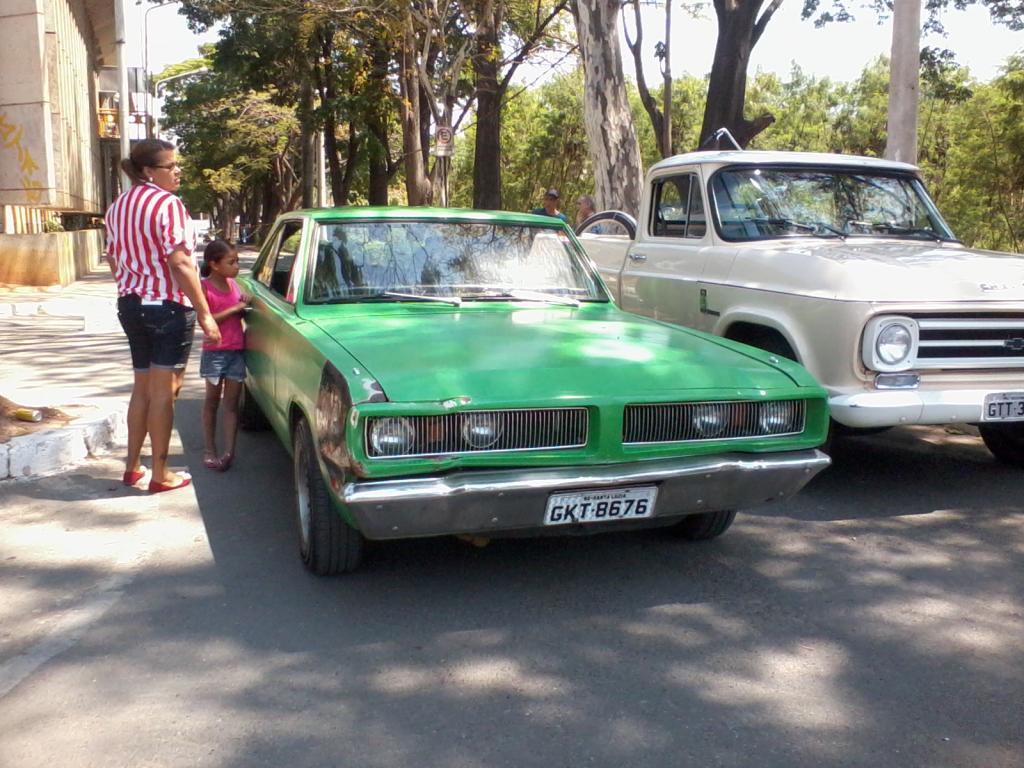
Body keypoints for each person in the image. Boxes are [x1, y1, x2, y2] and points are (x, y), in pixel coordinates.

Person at [105, 139, 220, 494]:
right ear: (148, 172)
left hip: (131, 304)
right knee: (163, 393)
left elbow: (112, 258)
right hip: (167, 307)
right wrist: (205, 313)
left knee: (141, 389)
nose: (177, 171)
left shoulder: (118, 207)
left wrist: (132, 284)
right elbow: (181, 261)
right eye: (170, 166)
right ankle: (160, 474)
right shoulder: (167, 205)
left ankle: (132, 467)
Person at [198, 239, 250, 472]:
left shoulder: (234, 285)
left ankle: (229, 451)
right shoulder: (204, 287)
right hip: (215, 354)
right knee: (211, 403)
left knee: (231, 405)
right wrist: (234, 310)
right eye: (231, 262)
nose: (237, 266)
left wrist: (244, 307)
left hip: (236, 352)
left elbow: (239, 313)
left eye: (237, 261)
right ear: (214, 264)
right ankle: (210, 450)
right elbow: (206, 319)